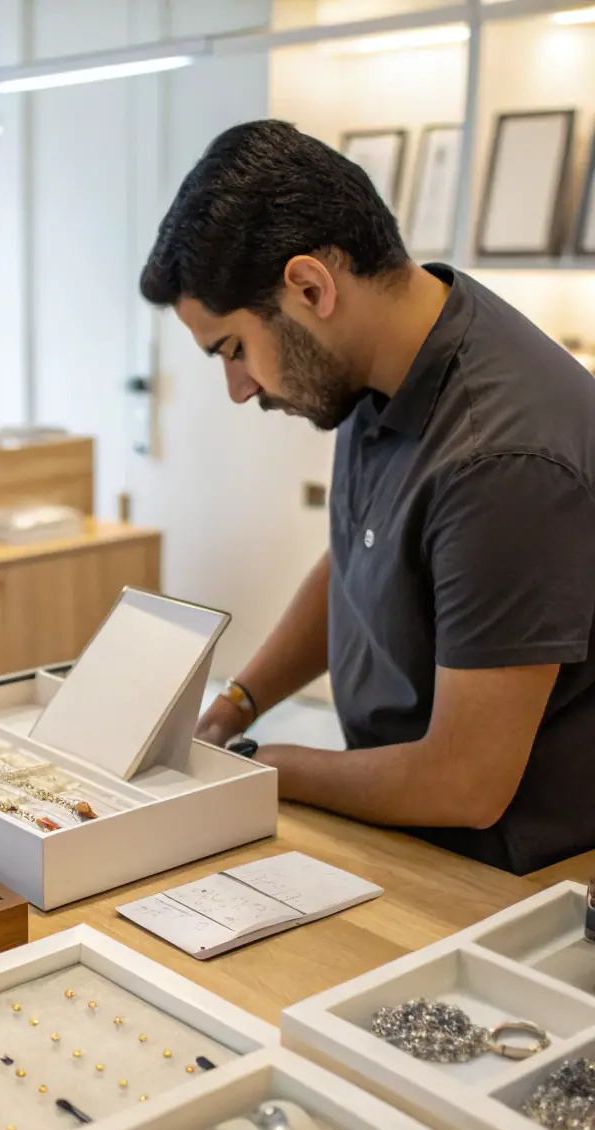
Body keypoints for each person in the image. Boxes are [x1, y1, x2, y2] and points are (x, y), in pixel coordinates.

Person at [140, 119, 595, 876]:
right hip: (413, 831)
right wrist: (235, 706)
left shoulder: (500, 459)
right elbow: (358, 558)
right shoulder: (380, 369)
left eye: (234, 349)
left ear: (311, 286)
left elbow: (466, 782)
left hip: (509, 873)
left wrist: (260, 763)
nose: (238, 387)